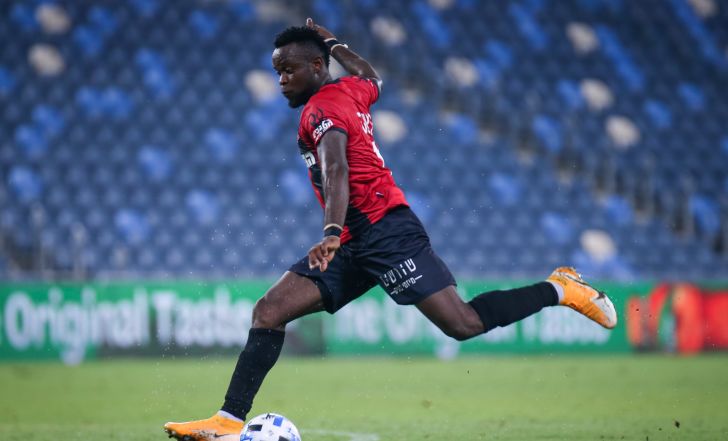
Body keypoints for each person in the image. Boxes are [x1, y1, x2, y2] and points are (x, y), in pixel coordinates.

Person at [163, 18, 617, 440]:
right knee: (269, 310)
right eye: (277, 71)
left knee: (463, 324)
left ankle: (561, 289)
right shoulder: (351, 90)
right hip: (352, 239)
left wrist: (331, 232)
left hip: (384, 231)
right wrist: (334, 41)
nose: (281, 79)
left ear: (316, 67)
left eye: (288, 70)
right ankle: (228, 420)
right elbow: (372, 76)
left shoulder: (321, 109)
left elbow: (336, 169)